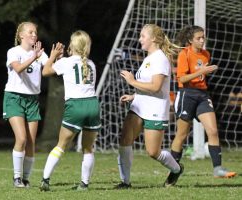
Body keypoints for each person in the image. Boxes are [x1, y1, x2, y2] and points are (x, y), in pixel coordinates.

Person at [116, 24, 183, 189]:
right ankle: (125, 182)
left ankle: (176, 169)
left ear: (153, 38)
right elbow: (147, 85)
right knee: (125, 140)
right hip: (139, 106)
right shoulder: (148, 58)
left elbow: (155, 87)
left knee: (153, 152)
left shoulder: (160, 58)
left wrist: (131, 81)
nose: (139, 39)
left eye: (142, 36)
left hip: (155, 110)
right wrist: (134, 95)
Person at [170, 25, 237, 178]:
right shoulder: (184, 54)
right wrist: (201, 71)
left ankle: (218, 169)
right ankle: (173, 170)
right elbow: (181, 79)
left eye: (203, 37)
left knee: (213, 131)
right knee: (182, 135)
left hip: (202, 95)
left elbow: (201, 76)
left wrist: (204, 72)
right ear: (190, 40)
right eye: (198, 38)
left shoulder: (206, 54)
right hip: (187, 95)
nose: (202, 41)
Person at [39, 30, 101, 191]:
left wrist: (52, 56)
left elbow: (45, 71)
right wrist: (59, 60)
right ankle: (84, 184)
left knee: (61, 145)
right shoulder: (91, 64)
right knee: (88, 148)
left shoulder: (66, 62)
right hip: (92, 105)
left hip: (75, 106)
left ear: (72, 45)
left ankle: (45, 180)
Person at [3, 21, 48, 188]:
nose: (34, 35)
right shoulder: (14, 52)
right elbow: (19, 68)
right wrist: (34, 57)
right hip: (14, 97)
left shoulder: (40, 54)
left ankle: (26, 178)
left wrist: (57, 58)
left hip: (32, 100)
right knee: (21, 138)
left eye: (35, 32)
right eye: (30, 32)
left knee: (31, 142)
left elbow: (50, 67)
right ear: (21, 35)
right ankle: (16, 178)